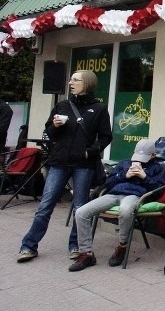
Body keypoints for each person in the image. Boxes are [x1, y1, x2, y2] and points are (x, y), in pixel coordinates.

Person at [17, 70, 112, 263]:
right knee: (45, 205)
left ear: (87, 83)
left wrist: (90, 152)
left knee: (79, 207)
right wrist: (55, 126)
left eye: (75, 80)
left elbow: (106, 136)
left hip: (83, 164)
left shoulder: (99, 108)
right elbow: (49, 133)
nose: (70, 82)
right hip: (59, 162)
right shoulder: (62, 105)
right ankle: (28, 246)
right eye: (71, 79)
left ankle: (76, 246)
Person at [69, 139, 165, 271]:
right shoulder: (125, 163)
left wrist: (145, 177)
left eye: (145, 158)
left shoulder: (158, 168)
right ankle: (87, 254)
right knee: (81, 212)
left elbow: (159, 190)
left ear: (154, 155)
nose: (140, 161)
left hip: (134, 195)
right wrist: (124, 175)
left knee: (125, 210)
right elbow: (108, 182)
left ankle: (122, 246)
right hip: (113, 194)